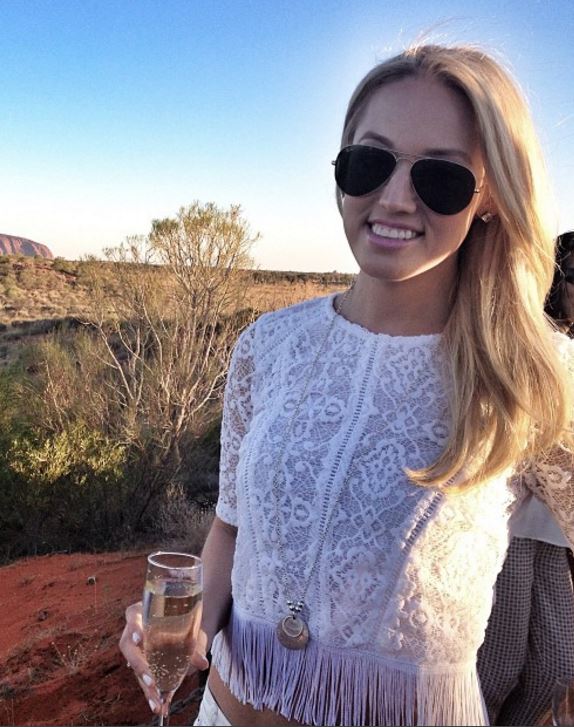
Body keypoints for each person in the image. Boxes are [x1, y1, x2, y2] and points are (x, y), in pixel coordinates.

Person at [119, 43, 574, 726]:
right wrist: (191, 627)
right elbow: (231, 531)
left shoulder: (534, 372)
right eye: (370, 162)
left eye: (441, 176)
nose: (395, 197)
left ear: (489, 197)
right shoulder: (267, 346)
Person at [477, 229, 574, 726]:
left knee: (557, 669)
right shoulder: (534, 344)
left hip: (554, 534)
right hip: (510, 526)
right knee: (495, 671)